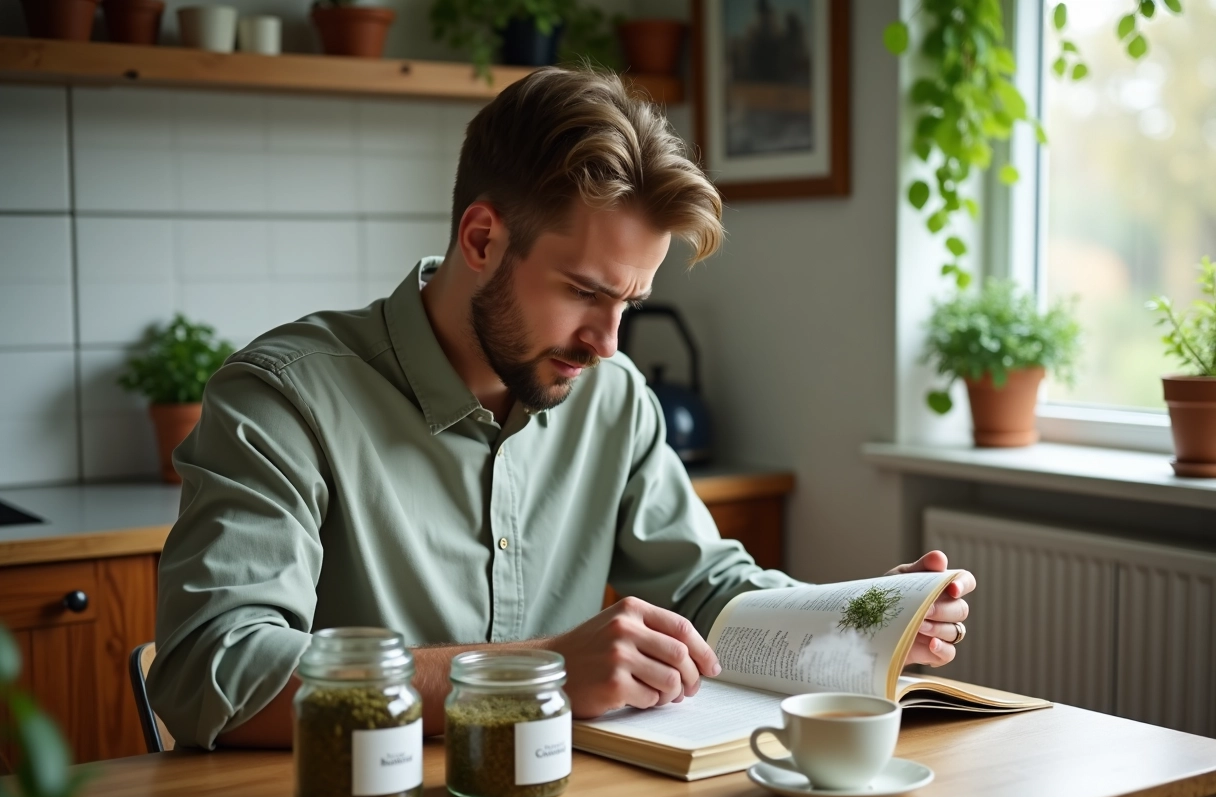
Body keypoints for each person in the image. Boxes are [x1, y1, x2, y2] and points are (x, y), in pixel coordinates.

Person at [147, 67, 974, 750]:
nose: (609, 342)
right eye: (584, 292)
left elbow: (707, 591)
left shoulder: (611, 398)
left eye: (630, 303)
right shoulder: (283, 398)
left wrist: (863, 618)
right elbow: (210, 672)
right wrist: (535, 671)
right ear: (481, 240)